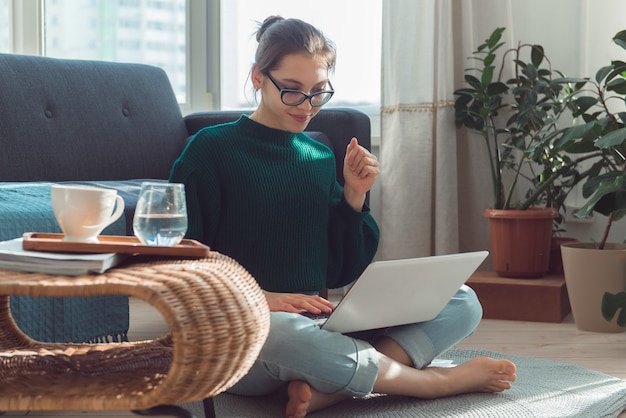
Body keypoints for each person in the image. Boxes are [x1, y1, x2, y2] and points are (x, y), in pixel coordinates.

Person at [169, 15, 517, 418]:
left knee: (463, 301)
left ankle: (334, 391)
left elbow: (338, 272)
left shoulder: (318, 157)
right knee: (280, 332)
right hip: (240, 333)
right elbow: (179, 264)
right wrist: (261, 299)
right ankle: (430, 382)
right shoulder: (209, 151)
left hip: (319, 328)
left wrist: (354, 195)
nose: (308, 106)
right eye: (293, 91)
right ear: (259, 78)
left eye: (319, 92)